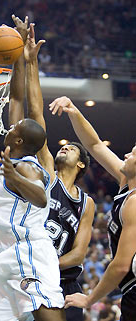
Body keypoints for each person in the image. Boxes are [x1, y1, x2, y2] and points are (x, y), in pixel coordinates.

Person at [9, 16, 95, 321]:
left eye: (72, 148)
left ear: (82, 164)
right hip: (35, 277)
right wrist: (30, 62)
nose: (64, 147)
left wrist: (45, 262)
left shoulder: (87, 204)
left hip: (65, 282)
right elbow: (35, 113)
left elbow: (79, 253)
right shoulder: (46, 170)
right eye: (63, 145)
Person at [0, 15, 65, 321]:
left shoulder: (30, 165)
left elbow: (41, 198)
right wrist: (21, 58)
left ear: (18, 138)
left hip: (27, 250)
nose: (11, 123)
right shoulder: (16, 152)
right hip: (5, 255)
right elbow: (17, 96)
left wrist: (14, 175)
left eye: (16, 127)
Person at [48, 96, 136, 321]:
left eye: (133, 153)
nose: (126, 154)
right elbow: (94, 144)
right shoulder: (126, 182)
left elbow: (121, 266)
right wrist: (73, 111)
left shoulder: (135, 203)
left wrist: (88, 299)